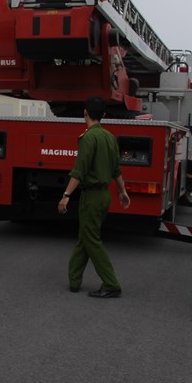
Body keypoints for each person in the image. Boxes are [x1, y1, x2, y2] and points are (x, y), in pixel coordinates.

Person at [58, 96, 130, 298]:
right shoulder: (109, 137)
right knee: (85, 238)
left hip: (91, 197)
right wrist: (122, 192)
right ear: (104, 115)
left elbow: (79, 171)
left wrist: (66, 195)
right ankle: (74, 280)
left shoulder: (88, 138)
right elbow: (116, 170)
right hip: (104, 195)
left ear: (85, 113)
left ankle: (111, 284)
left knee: (91, 240)